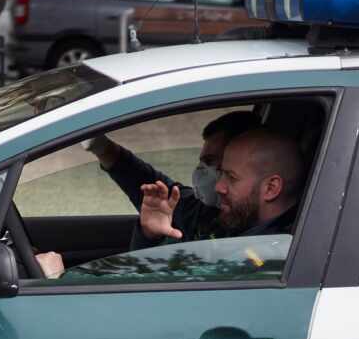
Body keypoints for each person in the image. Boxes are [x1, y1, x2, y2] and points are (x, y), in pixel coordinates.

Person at [32, 110, 257, 278]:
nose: (201, 172)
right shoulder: (202, 211)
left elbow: (170, 296)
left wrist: (54, 283)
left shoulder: (260, 248)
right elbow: (141, 180)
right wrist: (99, 145)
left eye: (212, 164)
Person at [138, 127, 304, 244]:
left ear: (271, 188)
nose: (218, 187)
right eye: (221, 173)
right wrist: (150, 235)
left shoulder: (273, 259)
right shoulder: (236, 221)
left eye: (231, 177)